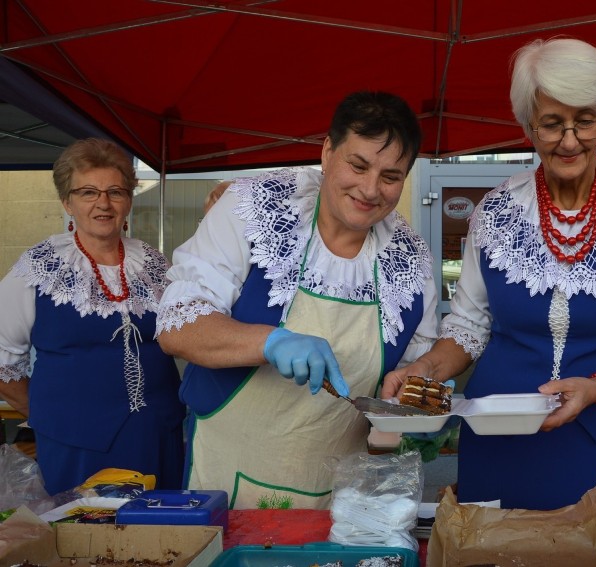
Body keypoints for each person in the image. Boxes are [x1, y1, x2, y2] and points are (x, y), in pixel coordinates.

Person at [382, 37, 596, 511]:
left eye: (585, 121)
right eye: (552, 124)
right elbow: (467, 328)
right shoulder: (495, 212)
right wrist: (424, 370)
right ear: (528, 126)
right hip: (499, 433)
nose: (570, 140)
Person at [156, 90, 438, 510]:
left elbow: (407, 377)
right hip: (225, 482)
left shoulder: (409, 260)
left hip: (340, 497)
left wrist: (417, 398)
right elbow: (178, 326)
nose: (370, 189)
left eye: (391, 177)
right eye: (357, 165)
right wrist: (269, 342)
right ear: (327, 152)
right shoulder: (252, 209)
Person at [0, 138, 185, 495]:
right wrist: (52, 418)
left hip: (157, 436)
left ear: (128, 201)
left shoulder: (154, 264)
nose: (103, 203)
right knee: (82, 542)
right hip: (76, 447)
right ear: (67, 202)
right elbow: (3, 365)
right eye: (88, 192)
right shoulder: (39, 268)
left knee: (163, 539)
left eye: (115, 192)